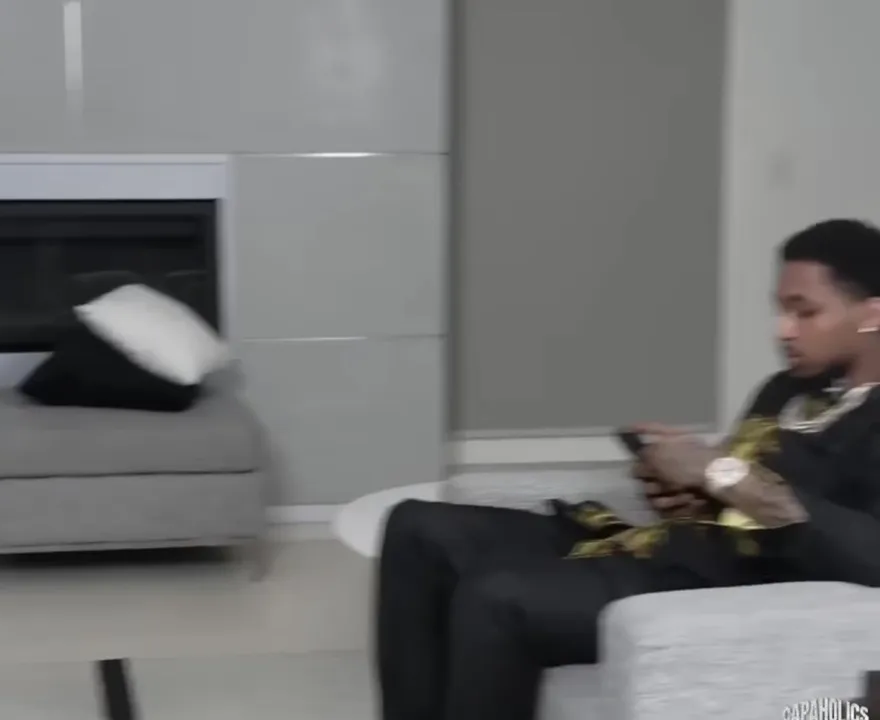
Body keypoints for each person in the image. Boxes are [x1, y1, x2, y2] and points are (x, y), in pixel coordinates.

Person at [374, 218, 880, 720]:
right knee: (417, 527)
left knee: (495, 597)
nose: (783, 330)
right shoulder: (787, 388)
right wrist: (684, 487)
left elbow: (868, 551)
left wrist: (719, 472)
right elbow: (733, 486)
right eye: (781, 310)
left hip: (721, 584)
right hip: (662, 545)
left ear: (871, 314)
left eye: (805, 312)